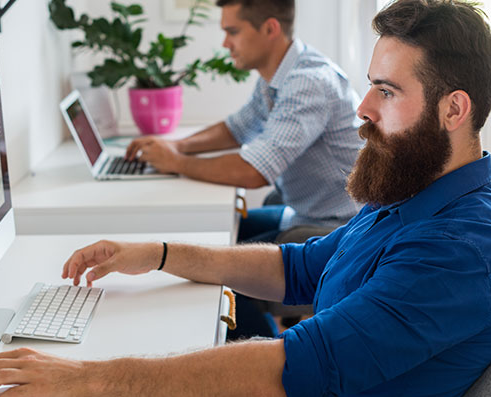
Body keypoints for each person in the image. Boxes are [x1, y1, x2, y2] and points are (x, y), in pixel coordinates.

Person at [0, 1, 491, 397]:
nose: (362, 107)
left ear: (454, 109)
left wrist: (88, 379)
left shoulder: (460, 249)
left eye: (387, 91)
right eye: (370, 84)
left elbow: (296, 367)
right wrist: (158, 254)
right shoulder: (414, 188)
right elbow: (299, 267)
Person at [125, 0, 364, 243]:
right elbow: (237, 129)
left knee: (209, 251)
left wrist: (176, 162)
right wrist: (177, 146)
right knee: (208, 231)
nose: (225, 43)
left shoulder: (307, 83)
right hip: (304, 216)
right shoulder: (278, 75)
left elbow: (253, 171)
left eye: (233, 32)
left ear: (270, 29)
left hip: (338, 229)